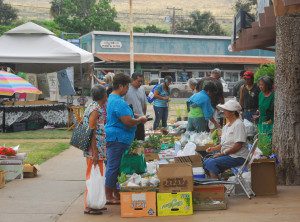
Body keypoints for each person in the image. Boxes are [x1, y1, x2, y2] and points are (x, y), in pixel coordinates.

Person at [105, 74, 147, 204]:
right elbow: (127, 121)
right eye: (127, 86)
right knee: (113, 167)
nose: (128, 89)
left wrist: (137, 116)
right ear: (121, 86)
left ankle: (115, 192)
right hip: (117, 138)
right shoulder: (117, 100)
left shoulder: (113, 98)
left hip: (119, 138)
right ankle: (109, 195)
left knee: (117, 167)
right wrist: (139, 120)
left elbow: (125, 114)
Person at [204, 100, 249, 179]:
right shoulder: (226, 126)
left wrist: (222, 154)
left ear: (232, 112)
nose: (223, 111)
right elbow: (223, 144)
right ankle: (215, 184)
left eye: (226, 110)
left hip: (238, 157)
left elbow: (238, 146)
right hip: (229, 155)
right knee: (206, 162)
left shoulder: (239, 124)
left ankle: (218, 187)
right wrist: (213, 148)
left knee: (211, 163)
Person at [82, 85, 107, 215]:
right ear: (103, 96)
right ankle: (89, 205)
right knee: (92, 176)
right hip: (94, 150)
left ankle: (96, 202)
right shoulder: (95, 109)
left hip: (97, 149)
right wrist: (95, 152)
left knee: (98, 175)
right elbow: (91, 131)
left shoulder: (93, 106)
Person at [124, 72, 147, 140]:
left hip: (140, 120)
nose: (140, 83)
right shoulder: (126, 90)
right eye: (139, 81)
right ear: (132, 80)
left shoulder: (142, 89)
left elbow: (144, 104)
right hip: (131, 120)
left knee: (141, 140)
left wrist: (144, 116)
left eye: (141, 81)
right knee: (132, 141)